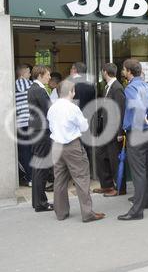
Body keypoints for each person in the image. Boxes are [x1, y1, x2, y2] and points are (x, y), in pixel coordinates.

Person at [47, 80, 105, 222]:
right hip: (72, 145)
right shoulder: (73, 108)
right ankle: (87, 213)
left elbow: (50, 126)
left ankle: (61, 213)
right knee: (81, 178)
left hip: (56, 145)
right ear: (71, 91)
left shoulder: (52, 108)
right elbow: (84, 127)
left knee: (59, 180)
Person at [118, 59, 148, 220]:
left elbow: (137, 107)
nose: (123, 72)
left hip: (137, 132)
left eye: (124, 70)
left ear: (129, 72)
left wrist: (143, 121)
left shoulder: (131, 87)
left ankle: (137, 210)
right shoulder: (147, 86)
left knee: (139, 172)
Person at [93, 63, 126, 197]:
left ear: (105, 72)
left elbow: (120, 110)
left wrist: (120, 132)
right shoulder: (107, 87)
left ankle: (120, 188)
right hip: (104, 130)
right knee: (100, 156)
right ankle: (107, 185)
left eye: (102, 71)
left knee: (115, 160)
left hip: (113, 131)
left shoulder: (117, 88)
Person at [27, 65, 54, 212]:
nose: (50, 77)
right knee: (41, 168)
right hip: (41, 131)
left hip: (36, 130)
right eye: (48, 75)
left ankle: (37, 202)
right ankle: (41, 203)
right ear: (40, 75)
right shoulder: (39, 90)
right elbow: (49, 110)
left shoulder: (33, 89)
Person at [15, 64, 33, 186]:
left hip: (20, 123)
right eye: (28, 73)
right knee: (34, 150)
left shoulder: (11, 86)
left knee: (24, 151)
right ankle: (35, 177)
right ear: (22, 74)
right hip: (32, 122)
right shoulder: (33, 86)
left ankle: (29, 177)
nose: (30, 75)